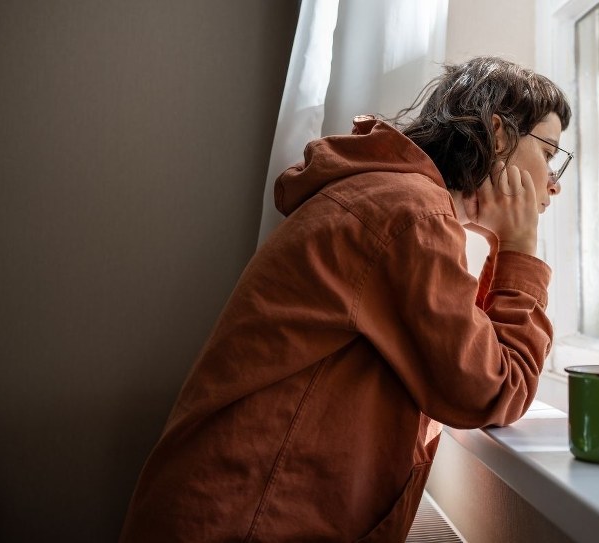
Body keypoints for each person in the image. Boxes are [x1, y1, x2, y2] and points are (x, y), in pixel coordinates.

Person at [119, 56, 572, 542]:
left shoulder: (388, 198)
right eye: (549, 153)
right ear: (499, 136)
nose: (554, 183)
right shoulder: (409, 215)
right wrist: (520, 248)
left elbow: (466, 356)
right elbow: (494, 388)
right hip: (244, 522)